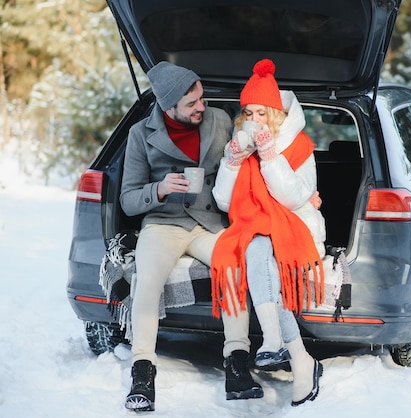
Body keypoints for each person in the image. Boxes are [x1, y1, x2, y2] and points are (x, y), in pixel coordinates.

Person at [119, 62, 262, 412]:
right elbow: (127, 199)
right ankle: (142, 369)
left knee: (233, 271)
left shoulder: (220, 121)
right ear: (169, 107)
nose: (202, 106)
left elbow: (245, 164)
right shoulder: (141, 134)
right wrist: (160, 189)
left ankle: (237, 362)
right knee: (147, 280)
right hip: (163, 223)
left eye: (201, 98)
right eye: (192, 103)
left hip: (209, 221)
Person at [212, 58, 325, 406]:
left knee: (265, 261)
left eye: (262, 113)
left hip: (294, 225)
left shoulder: (300, 147)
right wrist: (231, 163)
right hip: (255, 227)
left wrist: (269, 156)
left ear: (276, 115)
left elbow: (293, 198)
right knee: (258, 252)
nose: (254, 120)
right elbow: (221, 201)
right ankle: (292, 354)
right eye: (249, 113)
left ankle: (284, 348)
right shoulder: (239, 145)